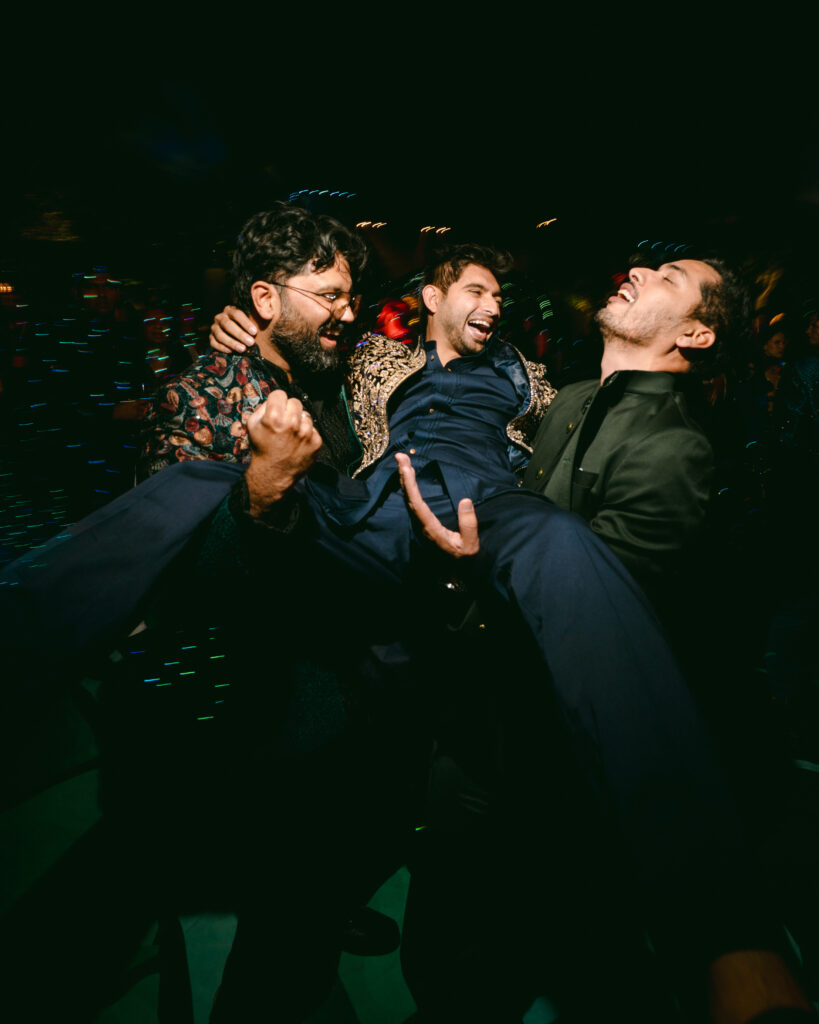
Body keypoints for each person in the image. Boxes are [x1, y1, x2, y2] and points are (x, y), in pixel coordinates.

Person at [211, 245, 816, 1022]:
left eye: (667, 278)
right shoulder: (515, 388)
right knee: (431, 912)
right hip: (414, 615)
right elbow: (309, 339)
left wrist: (468, 573)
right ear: (432, 299)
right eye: (475, 289)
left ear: (696, 335)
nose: (493, 305)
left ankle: (726, 934)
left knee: (500, 939)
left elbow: (598, 605)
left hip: (524, 711)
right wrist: (244, 323)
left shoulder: (588, 409)